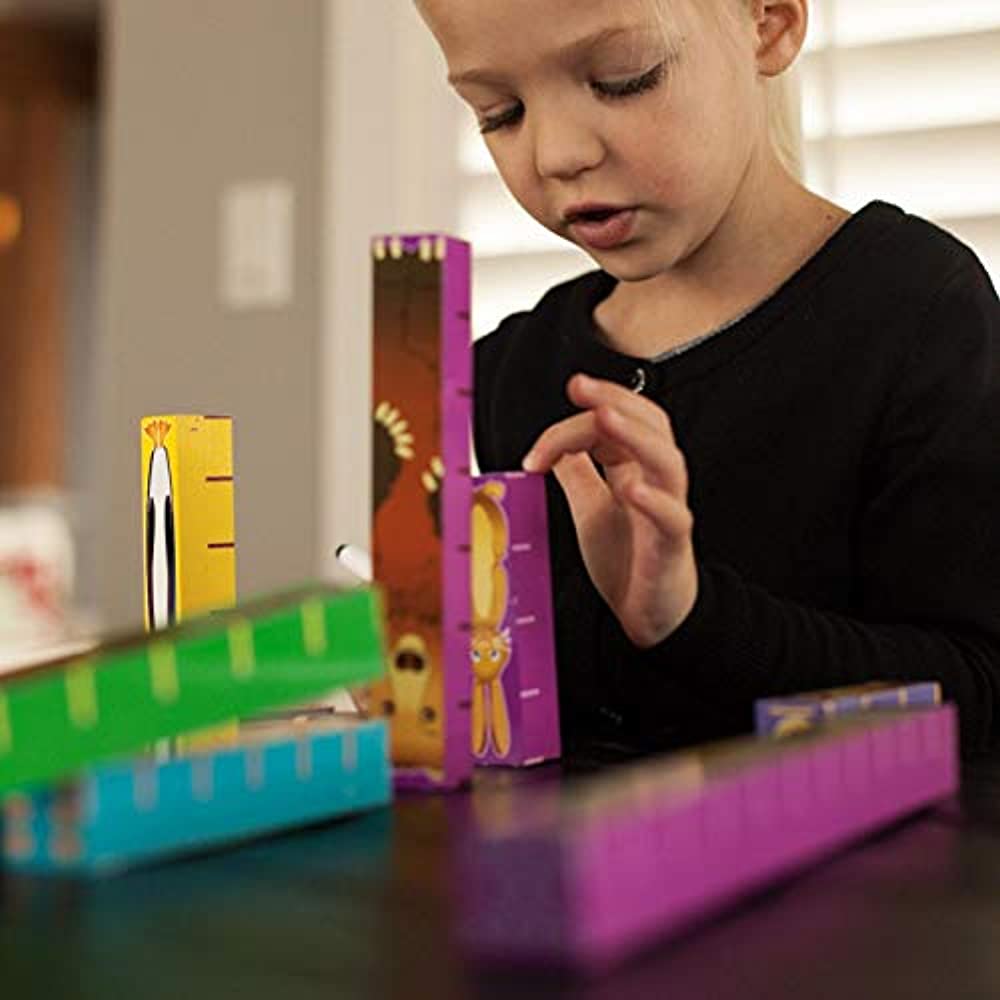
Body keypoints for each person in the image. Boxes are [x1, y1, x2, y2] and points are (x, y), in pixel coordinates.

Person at [414, 0, 1000, 755]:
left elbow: (979, 694)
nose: (556, 154)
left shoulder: (916, 309)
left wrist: (691, 619)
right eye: (501, 112)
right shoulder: (508, 374)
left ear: (769, 22)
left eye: (623, 79)